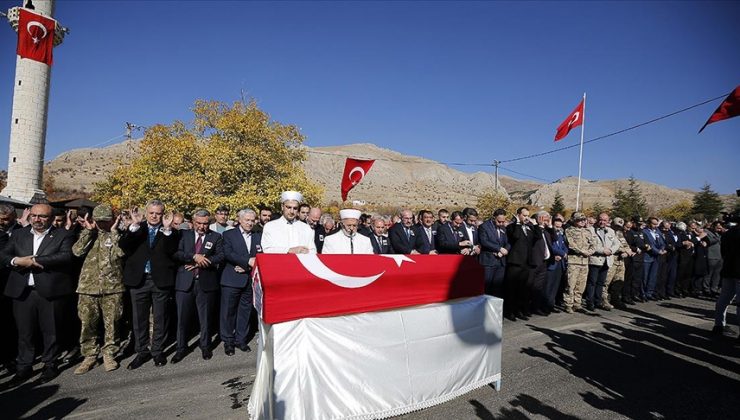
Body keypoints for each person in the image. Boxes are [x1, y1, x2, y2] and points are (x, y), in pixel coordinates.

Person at [1, 203, 75, 385]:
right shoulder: (19, 234)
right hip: (23, 292)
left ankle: (50, 364)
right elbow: (3, 255)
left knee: (51, 331)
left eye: (42, 216)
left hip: (50, 292)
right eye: (34, 216)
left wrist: (34, 262)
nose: (37, 219)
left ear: (50, 218)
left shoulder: (63, 235)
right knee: (24, 333)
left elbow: (66, 256)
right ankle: (24, 367)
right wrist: (16, 260)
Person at [119, 200, 179, 370]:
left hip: (160, 280)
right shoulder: (137, 228)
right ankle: (141, 351)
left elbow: (171, 251)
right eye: (151, 213)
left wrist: (167, 229)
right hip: (139, 280)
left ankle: (157, 351)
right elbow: (124, 246)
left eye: (158, 213)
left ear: (163, 214)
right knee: (139, 319)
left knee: (160, 318)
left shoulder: (170, 232)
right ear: (146, 213)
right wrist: (135, 226)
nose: (154, 216)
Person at [72, 205, 126, 374]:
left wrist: (115, 232)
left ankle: (109, 354)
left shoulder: (118, 235)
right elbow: (77, 252)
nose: (102, 225)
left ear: (112, 219)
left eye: (105, 221)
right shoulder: (87, 234)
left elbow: (120, 253)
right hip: (88, 287)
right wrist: (88, 232)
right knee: (87, 323)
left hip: (113, 287)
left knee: (112, 324)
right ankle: (89, 355)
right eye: (99, 221)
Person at [172, 209, 225, 363]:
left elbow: (220, 256)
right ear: (193, 222)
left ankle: (206, 346)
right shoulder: (184, 235)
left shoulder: (216, 237)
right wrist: (194, 256)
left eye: (205, 223)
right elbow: (176, 253)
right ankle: (181, 348)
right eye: (199, 223)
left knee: (205, 318)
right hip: (184, 283)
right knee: (182, 318)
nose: (202, 227)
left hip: (206, 283)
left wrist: (201, 263)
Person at [221, 209, 262, 355]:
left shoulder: (258, 235)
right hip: (232, 279)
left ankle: (241, 339)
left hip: (249, 279)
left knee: (244, 311)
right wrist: (247, 261)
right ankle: (228, 341)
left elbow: (260, 255)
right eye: (247, 220)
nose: (250, 223)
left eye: (252, 220)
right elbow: (228, 253)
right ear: (239, 219)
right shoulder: (228, 234)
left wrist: (245, 266)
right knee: (228, 312)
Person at [585, 213, 621, 311]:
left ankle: (598, 301)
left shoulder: (610, 231)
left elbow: (617, 243)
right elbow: (590, 244)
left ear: (608, 221)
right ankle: (590, 302)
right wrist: (602, 250)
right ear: (597, 219)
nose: (602, 222)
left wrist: (611, 251)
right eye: (600, 219)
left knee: (601, 282)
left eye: (605, 220)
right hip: (595, 260)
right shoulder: (590, 230)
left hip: (607, 260)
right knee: (592, 282)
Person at [711, 214, 739, 339]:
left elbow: (724, 253)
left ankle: (718, 325)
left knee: (724, 298)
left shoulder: (728, 234)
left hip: (728, 269)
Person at [504, 207, 534, 320]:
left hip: (526, 262)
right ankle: (510, 311)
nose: (526, 218)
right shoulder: (511, 226)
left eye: (528, 215)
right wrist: (517, 222)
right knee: (512, 289)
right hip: (515, 262)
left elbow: (536, 238)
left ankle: (520, 310)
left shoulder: (529, 227)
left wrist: (534, 225)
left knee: (523, 288)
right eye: (524, 215)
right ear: (518, 215)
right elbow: (515, 237)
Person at [563, 212, 594, 314]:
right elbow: (571, 244)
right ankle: (568, 304)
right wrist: (582, 251)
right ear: (574, 220)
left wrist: (590, 252)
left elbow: (594, 244)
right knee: (570, 284)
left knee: (581, 284)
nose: (582, 221)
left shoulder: (587, 231)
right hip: (574, 261)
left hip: (585, 262)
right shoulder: (569, 230)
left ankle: (577, 303)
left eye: (583, 220)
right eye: (580, 220)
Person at [479, 209, 509, 298]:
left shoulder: (503, 227)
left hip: (501, 262)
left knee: (498, 288)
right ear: (493, 218)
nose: (501, 223)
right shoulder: (484, 226)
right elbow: (484, 241)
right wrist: (498, 249)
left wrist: (504, 251)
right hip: (488, 261)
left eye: (503, 221)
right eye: (499, 221)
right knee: (487, 288)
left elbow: (508, 242)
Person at [529, 211, 553, 315]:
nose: (546, 221)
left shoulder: (546, 230)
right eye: (544, 219)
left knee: (539, 287)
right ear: (539, 218)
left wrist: (550, 226)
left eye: (547, 219)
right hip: (534, 261)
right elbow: (537, 236)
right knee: (531, 286)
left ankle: (536, 307)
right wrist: (538, 225)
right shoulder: (533, 228)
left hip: (544, 262)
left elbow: (554, 238)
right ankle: (528, 307)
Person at [608, 217, 634, 309]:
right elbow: (611, 246)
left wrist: (627, 251)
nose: (618, 228)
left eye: (620, 226)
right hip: (612, 259)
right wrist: (624, 250)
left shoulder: (619, 233)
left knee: (619, 281)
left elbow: (625, 244)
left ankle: (615, 299)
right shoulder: (609, 232)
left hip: (620, 260)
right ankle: (604, 299)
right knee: (607, 281)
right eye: (616, 226)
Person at [546, 216, 568, 313]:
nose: (558, 229)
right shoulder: (550, 234)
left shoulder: (561, 234)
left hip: (560, 263)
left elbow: (564, 246)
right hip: (552, 262)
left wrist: (564, 253)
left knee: (556, 286)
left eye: (559, 227)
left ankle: (551, 304)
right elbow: (551, 246)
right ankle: (546, 305)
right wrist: (561, 254)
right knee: (549, 285)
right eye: (556, 226)